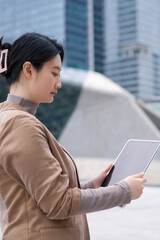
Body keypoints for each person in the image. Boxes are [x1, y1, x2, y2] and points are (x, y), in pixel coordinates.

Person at [0, 33, 146, 240]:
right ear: (29, 70)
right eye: (54, 73)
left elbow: (39, 195)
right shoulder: (19, 124)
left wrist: (90, 186)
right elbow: (58, 203)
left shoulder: (13, 119)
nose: (58, 84)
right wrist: (124, 191)